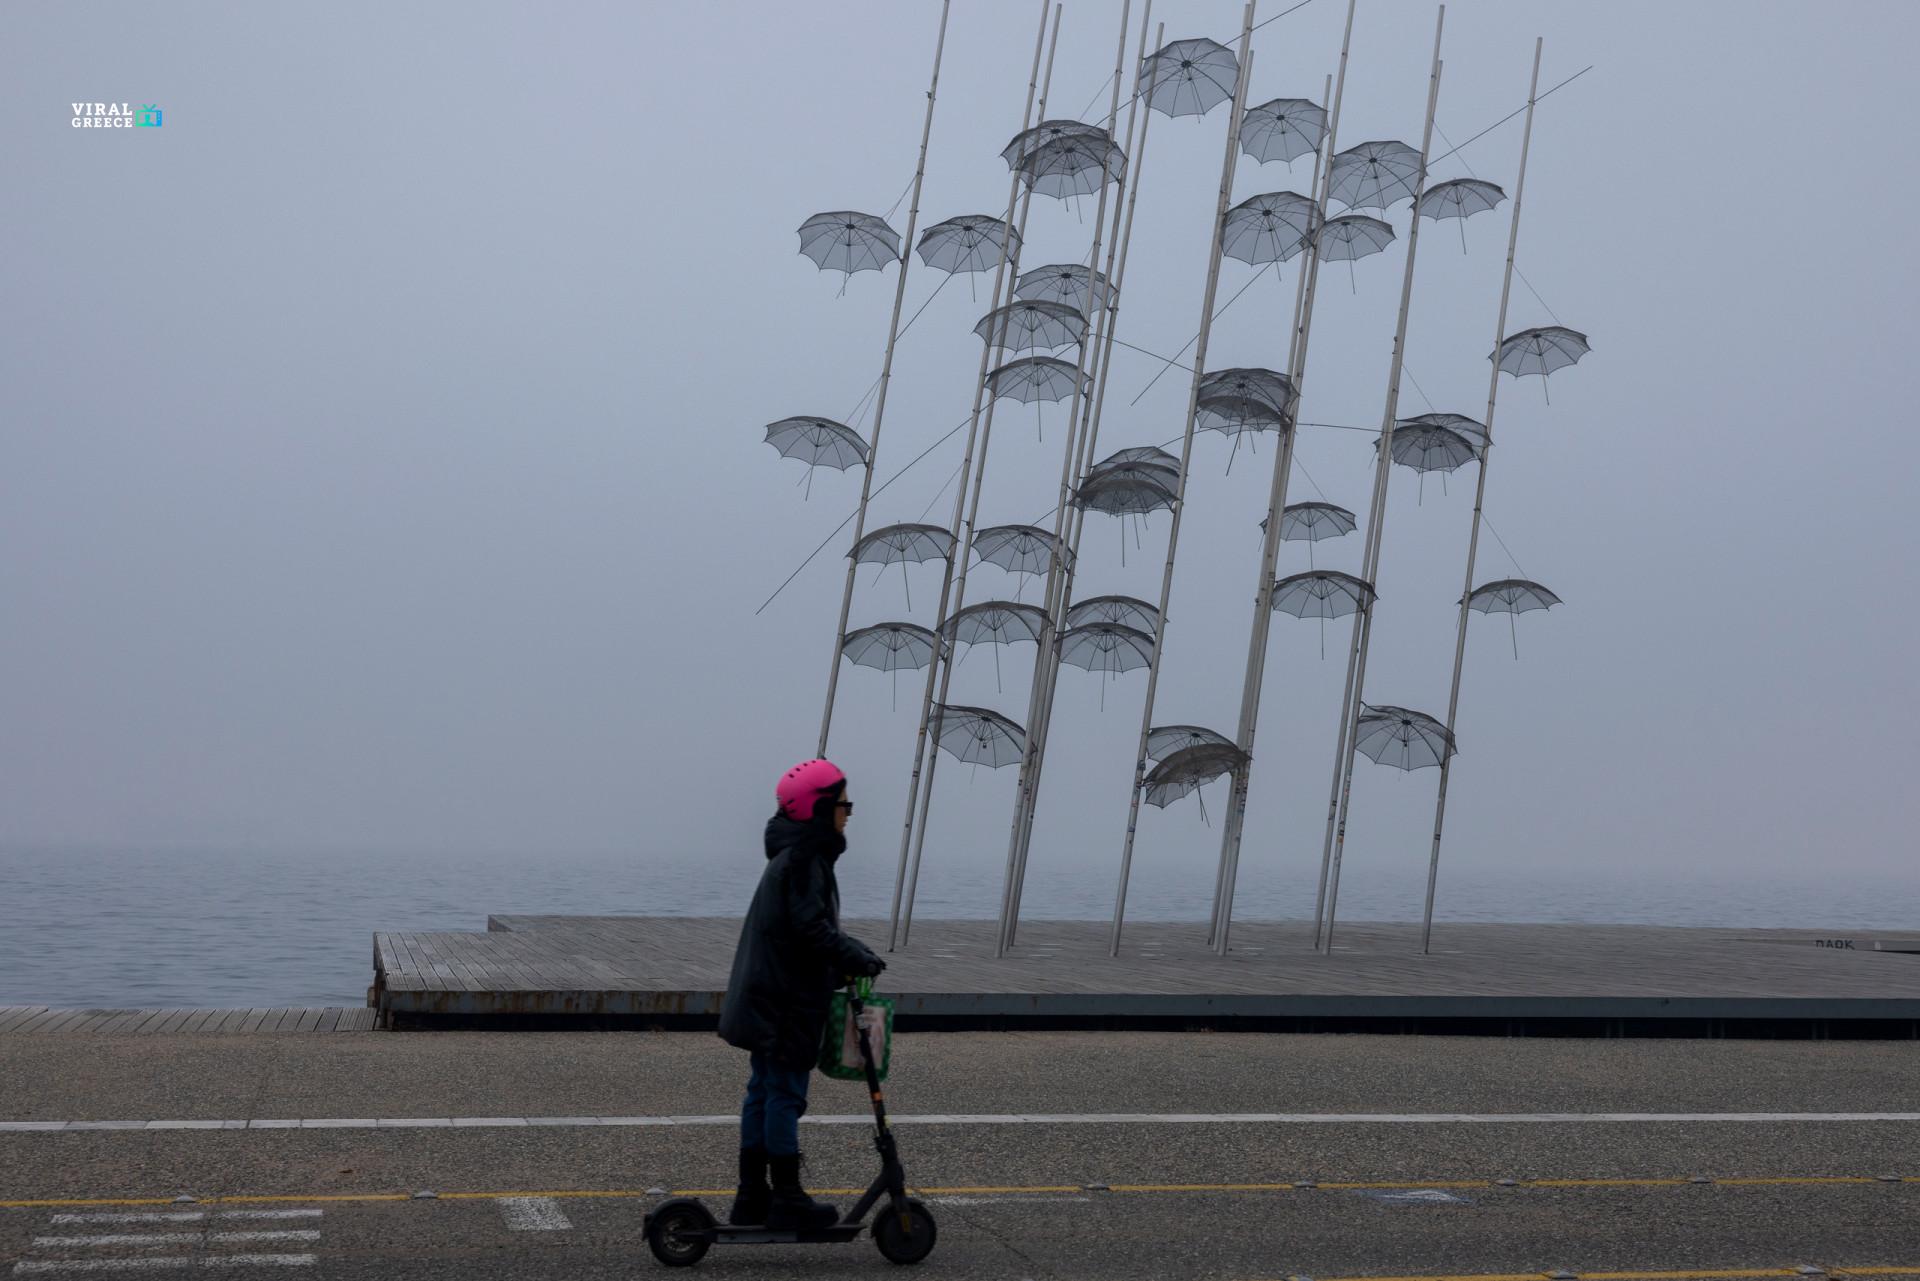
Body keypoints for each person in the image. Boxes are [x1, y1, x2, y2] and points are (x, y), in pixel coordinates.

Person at [717, 757, 886, 1230]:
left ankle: (752, 1195)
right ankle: (786, 1198)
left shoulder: (793, 856)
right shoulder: (806, 860)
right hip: (785, 1003)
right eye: (842, 804)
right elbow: (812, 930)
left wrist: (849, 951)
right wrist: (855, 957)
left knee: (762, 1091)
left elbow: (804, 928)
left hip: (767, 995)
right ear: (819, 807)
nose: (848, 813)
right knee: (784, 1094)